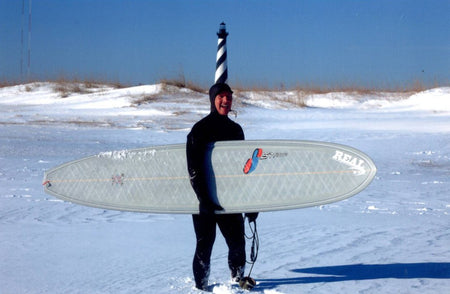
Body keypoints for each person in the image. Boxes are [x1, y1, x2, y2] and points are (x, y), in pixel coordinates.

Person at [186, 83, 258, 291]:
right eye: (221, 96)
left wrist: (250, 203)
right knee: (204, 245)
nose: (226, 100)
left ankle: (238, 281)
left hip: (229, 199)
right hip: (204, 200)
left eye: (229, 96)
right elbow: (193, 168)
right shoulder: (200, 130)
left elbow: (243, 171)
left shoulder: (235, 130)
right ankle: (201, 287)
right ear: (212, 99)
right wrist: (204, 199)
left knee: (237, 244)